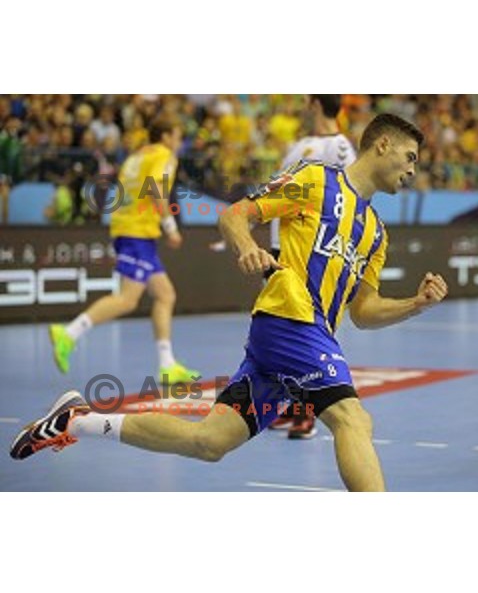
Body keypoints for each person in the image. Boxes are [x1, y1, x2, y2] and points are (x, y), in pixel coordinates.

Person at [10, 114, 448, 492]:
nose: (413, 170)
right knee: (353, 420)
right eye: (410, 157)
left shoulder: (375, 233)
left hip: (298, 341)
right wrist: (246, 248)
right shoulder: (315, 180)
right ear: (383, 144)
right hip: (289, 320)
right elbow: (235, 214)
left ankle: (77, 420)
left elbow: (363, 312)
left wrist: (415, 303)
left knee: (209, 442)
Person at [48, 114, 199, 383]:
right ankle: (68, 333)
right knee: (128, 299)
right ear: (165, 137)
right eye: (176, 135)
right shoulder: (164, 155)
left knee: (165, 295)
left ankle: (167, 365)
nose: (178, 141)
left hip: (129, 227)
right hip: (136, 232)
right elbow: (156, 190)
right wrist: (171, 228)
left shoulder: (136, 155)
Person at [268, 93, 357, 439]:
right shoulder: (300, 146)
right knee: (283, 326)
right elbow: (277, 191)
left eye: (308, 102)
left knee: (307, 330)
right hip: (280, 247)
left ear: (317, 105)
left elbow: (351, 197)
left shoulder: (339, 147)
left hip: (310, 251)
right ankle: (291, 405)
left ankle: (307, 412)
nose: (305, 107)